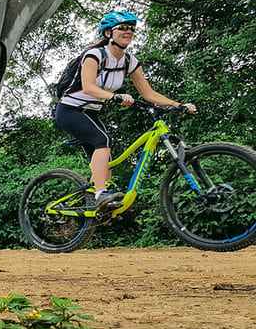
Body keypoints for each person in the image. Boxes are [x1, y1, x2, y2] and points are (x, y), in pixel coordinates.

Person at [54, 11, 196, 209]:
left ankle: (99, 203)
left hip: (91, 112)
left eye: (131, 28)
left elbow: (148, 93)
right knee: (102, 141)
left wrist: (177, 105)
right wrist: (115, 97)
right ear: (108, 33)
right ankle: (100, 194)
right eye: (122, 27)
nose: (128, 31)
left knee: (107, 159)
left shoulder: (129, 62)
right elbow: (88, 87)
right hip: (70, 110)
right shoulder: (95, 55)